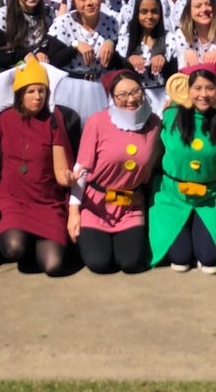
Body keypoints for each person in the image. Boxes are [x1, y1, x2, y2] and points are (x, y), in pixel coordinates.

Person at [67, 70, 161, 274]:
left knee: (129, 262)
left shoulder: (154, 123)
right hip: (96, 204)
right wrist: (73, 212)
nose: (130, 99)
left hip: (130, 205)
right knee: (99, 263)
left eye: (135, 91)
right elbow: (81, 169)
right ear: (112, 97)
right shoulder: (97, 122)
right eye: (122, 95)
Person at [0, 56, 74, 276]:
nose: (38, 97)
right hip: (13, 200)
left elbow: (60, 173)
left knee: (53, 266)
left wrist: (70, 178)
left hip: (46, 202)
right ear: (19, 94)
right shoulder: (3, 120)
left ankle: (37, 240)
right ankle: (23, 239)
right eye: (31, 91)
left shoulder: (53, 121)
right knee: (14, 248)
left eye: (42, 91)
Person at [148, 65, 216, 272]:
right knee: (180, 260)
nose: (203, 94)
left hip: (209, 197)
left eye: (209, 88)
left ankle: (210, 235)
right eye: (197, 88)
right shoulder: (170, 116)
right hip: (173, 197)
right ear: (186, 90)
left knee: (209, 261)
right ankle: (185, 229)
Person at [47, 0, 120, 122]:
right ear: (74, 1)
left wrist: (111, 43)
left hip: (100, 85)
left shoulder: (112, 22)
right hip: (71, 85)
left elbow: (118, 61)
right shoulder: (63, 23)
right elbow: (54, 60)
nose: (89, 3)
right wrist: (75, 45)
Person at [116, 0, 173, 112]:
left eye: (154, 11)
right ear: (136, 13)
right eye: (144, 12)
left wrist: (165, 61)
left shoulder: (169, 38)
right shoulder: (126, 40)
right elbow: (117, 72)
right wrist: (128, 60)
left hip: (164, 98)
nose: (150, 16)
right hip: (133, 99)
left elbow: (175, 73)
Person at [168, 0, 216, 67]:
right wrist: (185, 53)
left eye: (209, 4)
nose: (204, 9)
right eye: (198, 6)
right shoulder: (181, 35)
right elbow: (182, 74)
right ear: (189, 11)